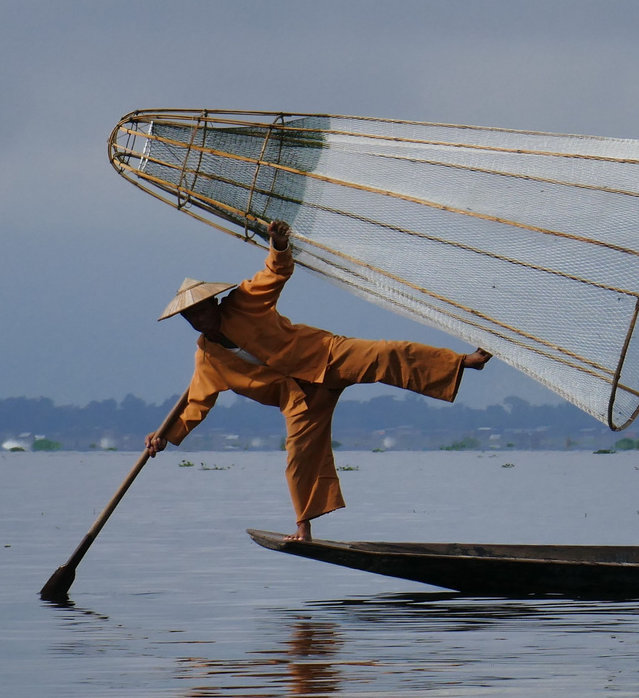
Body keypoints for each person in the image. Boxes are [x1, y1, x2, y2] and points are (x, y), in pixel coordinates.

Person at [145, 220, 492, 541]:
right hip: (298, 398)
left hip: (324, 355)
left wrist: (279, 246)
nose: (200, 320)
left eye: (202, 310)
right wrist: (164, 437)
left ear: (214, 303)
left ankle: (464, 362)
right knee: (299, 456)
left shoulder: (244, 303)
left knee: (386, 354)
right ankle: (303, 527)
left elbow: (275, 273)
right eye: (191, 317)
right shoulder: (207, 358)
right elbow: (196, 404)